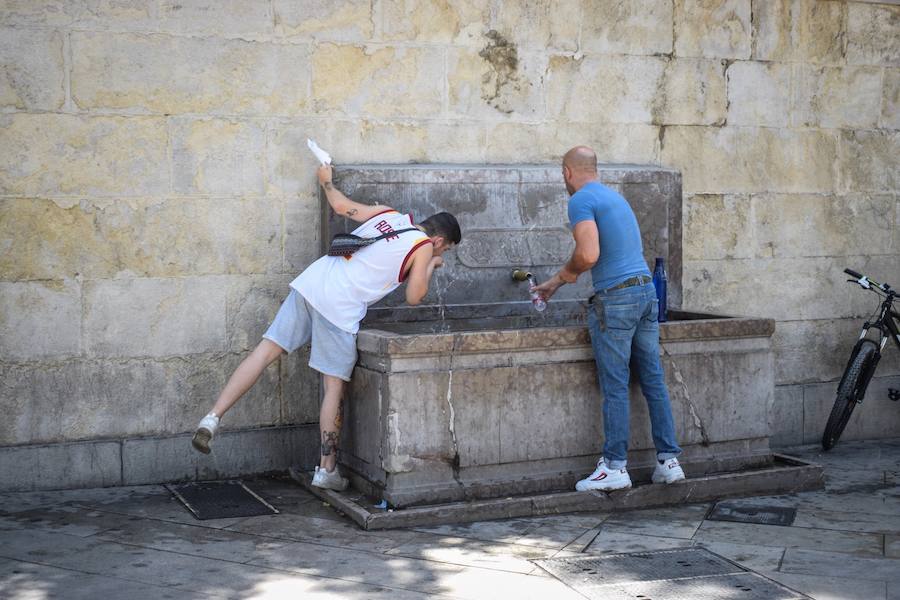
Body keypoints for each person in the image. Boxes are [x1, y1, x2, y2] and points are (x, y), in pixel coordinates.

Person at [191, 164, 461, 491]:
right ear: (438, 239)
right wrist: (430, 264)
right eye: (444, 248)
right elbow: (414, 296)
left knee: (264, 353)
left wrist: (326, 181)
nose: (440, 252)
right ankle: (326, 470)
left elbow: (341, 206)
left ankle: (213, 417)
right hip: (339, 307)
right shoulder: (424, 246)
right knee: (333, 388)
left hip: (313, 283)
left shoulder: (389, 215)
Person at [532, 146, 685, 492]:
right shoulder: (615, 198)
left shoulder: (580, 200)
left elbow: (588, 254)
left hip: (616, 299)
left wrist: (564, 274)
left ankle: (615, 467)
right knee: (653, 380)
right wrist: (558, 281)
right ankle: (668, 462)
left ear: (567, 172)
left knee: (615, 385)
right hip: (646, 292)